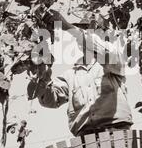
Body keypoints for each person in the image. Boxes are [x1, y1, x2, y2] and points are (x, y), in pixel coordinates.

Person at [33, 9, 133, 137]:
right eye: (84, 30)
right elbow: (50, 100)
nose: (84, 35)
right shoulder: (71, 75)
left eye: (90, 31)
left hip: (116, 132)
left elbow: (103, 50)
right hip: (85, 139)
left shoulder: (114, 61)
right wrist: (43, 76)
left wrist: (68, 27)